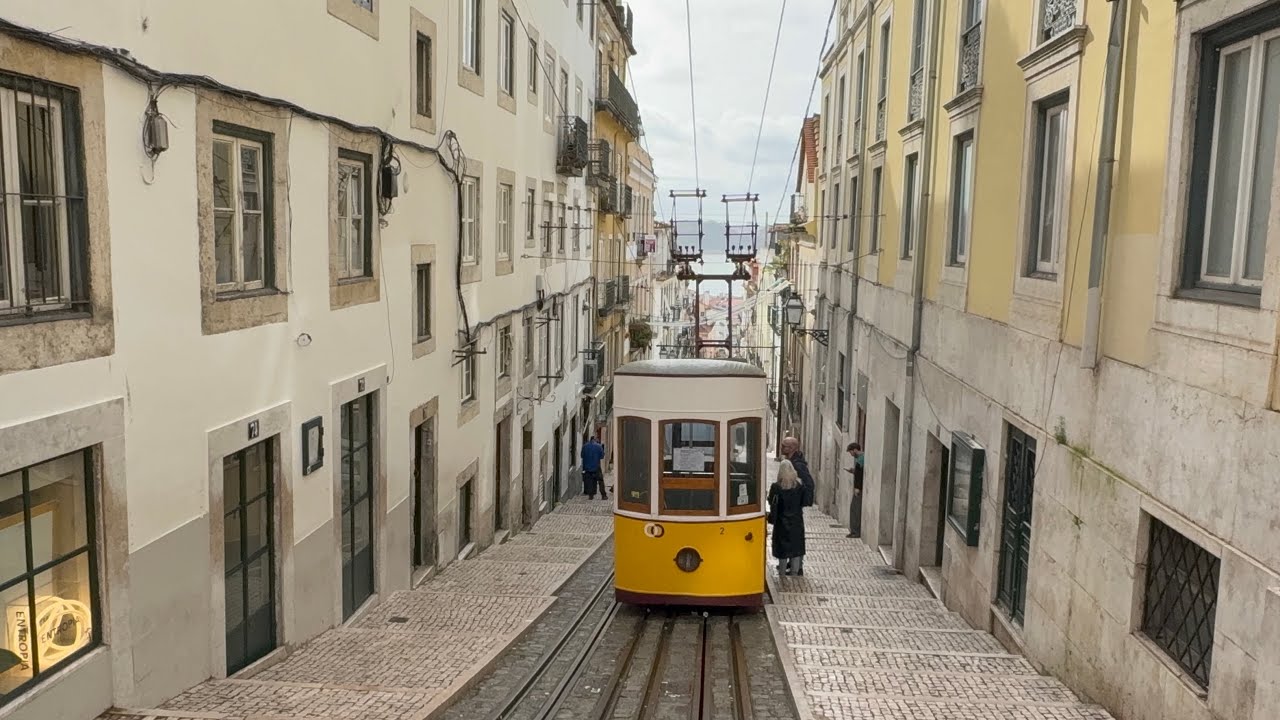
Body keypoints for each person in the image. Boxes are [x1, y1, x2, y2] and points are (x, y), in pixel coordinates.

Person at [768, 459, 807, 576]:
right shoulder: (799, 485)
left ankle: (782, 574)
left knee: (782, 549)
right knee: (796, 548)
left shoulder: (776, 487)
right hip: (796, 521)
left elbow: (771, 501)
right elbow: (803, 501)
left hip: (781, 522)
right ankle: (795, 573)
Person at [779, 437, 815, 507]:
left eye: (783, 446)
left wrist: (802, 500)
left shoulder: (798, 465)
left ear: (791, 448)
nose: (781, 448)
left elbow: (809, 483)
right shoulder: (790, 462)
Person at [845, 442, 864, 538]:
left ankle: (855, 532)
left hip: (859, 489)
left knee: (855, 510)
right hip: (859, 488)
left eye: (851, 452)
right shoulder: (861, 459)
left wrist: (857, 488)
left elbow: (860, 475)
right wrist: (853, 471)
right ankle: (854, 531)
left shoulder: (861, 460)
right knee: (854, 510)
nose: (851, 455)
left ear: (855, 450)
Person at [580, 436, 607, 500]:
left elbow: (582, 456)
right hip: (596, 467)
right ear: (595, 440)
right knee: (600, 481)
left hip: (587, 467)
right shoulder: (599, 446)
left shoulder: (584, 446)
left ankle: (591, 496)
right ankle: (603, 495)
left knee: (590, 481)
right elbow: (602, 457)